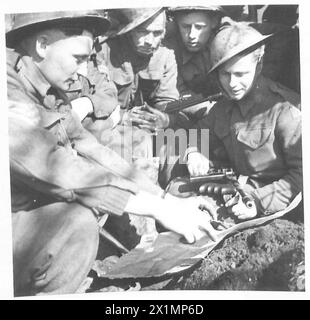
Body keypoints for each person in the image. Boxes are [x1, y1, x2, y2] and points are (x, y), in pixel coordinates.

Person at [6, 10, 218, 296]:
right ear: (42, 45)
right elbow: (58, 169)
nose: (83, 71)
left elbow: (88, 146)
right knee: (75, 224)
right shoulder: (8, 91)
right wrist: (155, 208)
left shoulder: (46, 89)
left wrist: (164, 200)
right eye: (78, 58)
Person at [185, 22, 302, 220]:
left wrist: (258, 202)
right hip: (239, 189)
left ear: (259, 66)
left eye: (241, 74)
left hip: (277, 203)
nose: (232, 84)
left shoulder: (285, 110)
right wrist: (194, 152)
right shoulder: (223, 106)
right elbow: (200, 132)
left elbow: (302, 175)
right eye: (225, 74)